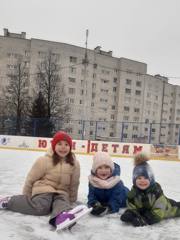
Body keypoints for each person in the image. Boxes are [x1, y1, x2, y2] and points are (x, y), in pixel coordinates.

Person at [0, 131, 80, 228]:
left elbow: (74, 183)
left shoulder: (74, 164)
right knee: (41, 207)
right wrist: (27, 196)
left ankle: (61, 217)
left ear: (70, 147)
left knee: (62, 203)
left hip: (62, 192)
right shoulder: (43, 160)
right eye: (59, 144)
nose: (63, 147)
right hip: (44, 190)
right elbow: (31, 179)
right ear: (54, 146)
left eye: (66, 145)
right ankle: (8, 201)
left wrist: (71, 200)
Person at [120, 153, 180, 226]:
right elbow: (132, 206)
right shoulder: (133, 193)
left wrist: (144, 219)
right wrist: (130, 213)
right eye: (139, 178)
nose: (142, 181)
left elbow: (159, 212)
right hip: (149, 209)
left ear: (151, 179)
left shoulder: (156, 193)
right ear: (134, 180)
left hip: (169, 208)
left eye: (146, 178)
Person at [87, 151, 129, 216]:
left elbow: (116, 199)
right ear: (95, 170)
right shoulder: (93, 182)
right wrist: (94, 205)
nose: (103, 171)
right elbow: (91, 196)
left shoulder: (117, 182)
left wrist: (109, 208)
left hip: (124, 199)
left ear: (111, 169)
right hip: (106, 201)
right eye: (100, 168)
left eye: (107, 167)